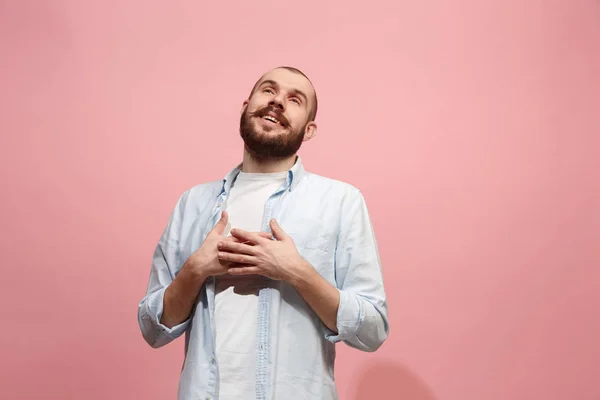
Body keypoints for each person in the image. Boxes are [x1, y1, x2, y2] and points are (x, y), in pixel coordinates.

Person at [138, 66, 389, 400]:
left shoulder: (341, 202)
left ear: (309, 129)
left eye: (294, 100)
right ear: (246, 106)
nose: (277, 102)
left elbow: (372, 329)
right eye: (268, 90)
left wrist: (296, 272)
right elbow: (153, 328)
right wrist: (195, 269)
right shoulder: (193, 203)